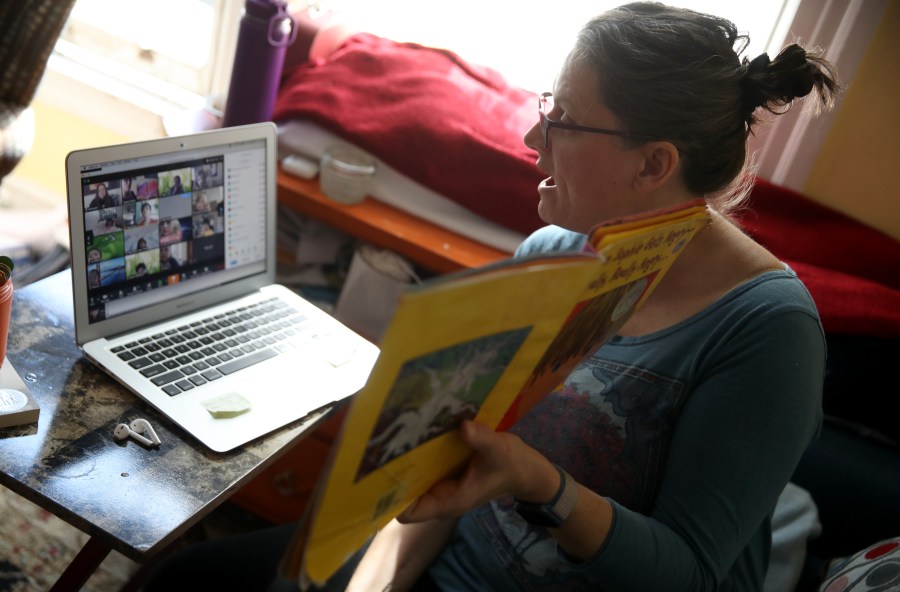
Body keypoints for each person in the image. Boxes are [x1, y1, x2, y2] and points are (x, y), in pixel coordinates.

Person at [143, 3, 839, 591]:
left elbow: (689, 572)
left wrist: (540, 484)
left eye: (564, 120)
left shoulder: (766, 333)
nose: (534, 136)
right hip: (448, 564)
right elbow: (446, 484)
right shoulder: (548, 258)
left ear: (654, 164)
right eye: (547, 104)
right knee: (180, 578)